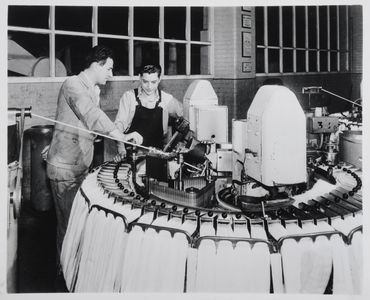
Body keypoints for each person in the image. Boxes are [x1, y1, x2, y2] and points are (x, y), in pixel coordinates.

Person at [46, 45, 142, 264]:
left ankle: (74, 268)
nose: (111, 74)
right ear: (96, 65)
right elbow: (90, 113)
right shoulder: (73, 84)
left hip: (78, 165)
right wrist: (118, 134)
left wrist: (117, 141)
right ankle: (66, 276)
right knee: (70, 227)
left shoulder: (92, 90)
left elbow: (86, 125)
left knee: (77, 224)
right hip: (66, 169)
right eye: (109, 68)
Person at [114, 64, 183, 156]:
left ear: (159, 79)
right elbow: (119, 126)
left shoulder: (167, 99)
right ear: (139, 78)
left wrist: (182, 142)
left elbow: (186, 116)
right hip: (132, 155)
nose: (149, 86)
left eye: (153, 82)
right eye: (145, 81)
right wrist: (121, 149)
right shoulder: (129, 97)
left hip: (157, 155)